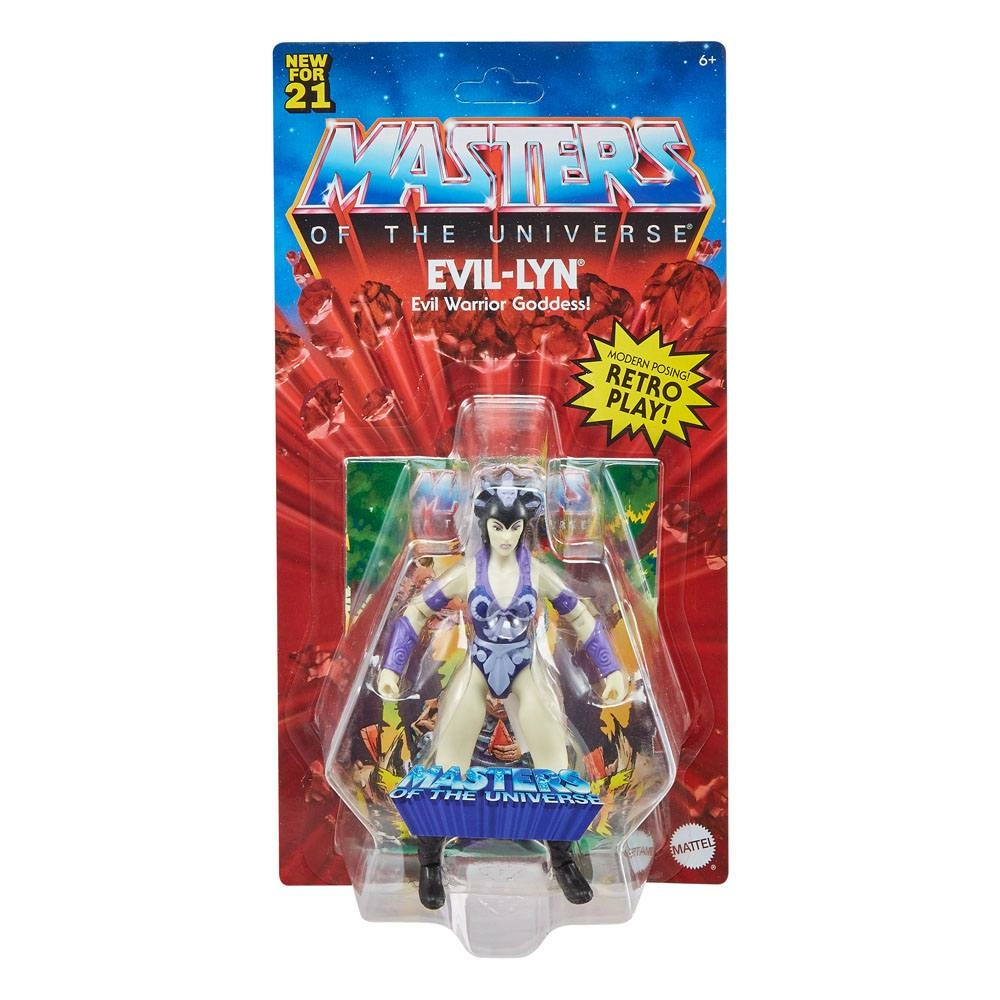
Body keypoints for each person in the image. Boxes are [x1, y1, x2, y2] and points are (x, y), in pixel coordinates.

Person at [376, 469, 626, 909]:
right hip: (477, 666)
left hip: (525, 668)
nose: (506, 537)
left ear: (524, 526)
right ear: (485, 525)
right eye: (497, 527)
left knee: (555, 767)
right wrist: (393, 667)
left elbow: (582, 617)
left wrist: (612, 671)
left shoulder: (538, 574)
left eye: (513, 527)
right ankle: (431, 860)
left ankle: (562, 857)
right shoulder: (467, 572)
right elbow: (415, 612)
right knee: (446, 769)